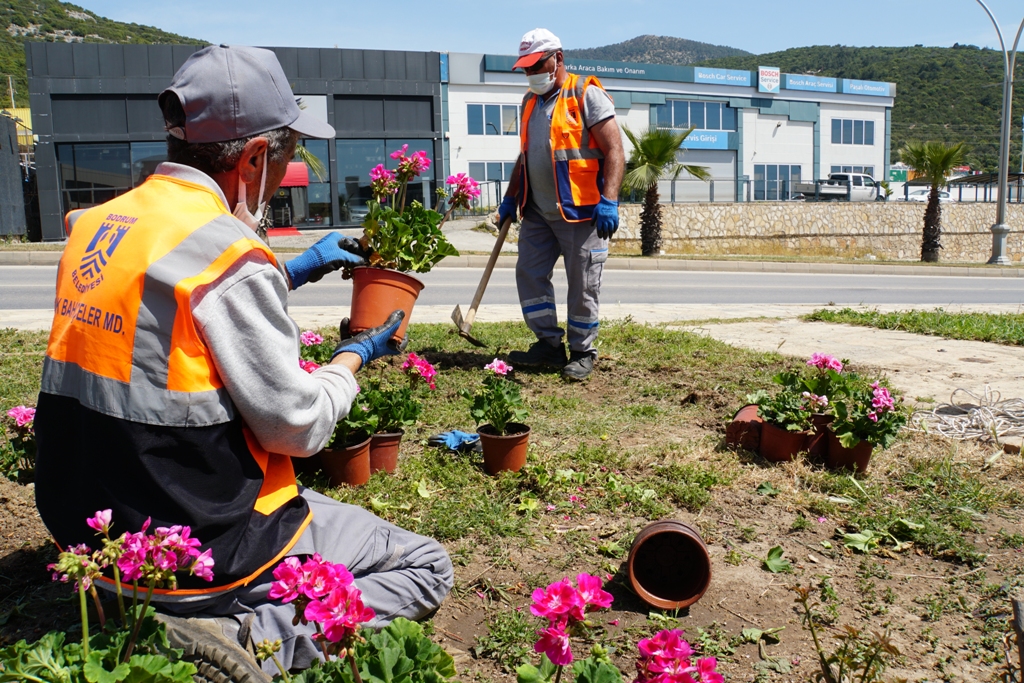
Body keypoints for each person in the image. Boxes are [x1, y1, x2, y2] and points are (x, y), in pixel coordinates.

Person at [34, 45, 453, 674]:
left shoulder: (97, 224)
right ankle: (246, 635)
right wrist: (351, 359)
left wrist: (294, 268)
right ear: (255, 158)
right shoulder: (229, 255)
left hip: (95, 539)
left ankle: (148, 617)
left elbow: (174, 305)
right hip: (200, 547)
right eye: (285, 157)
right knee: (426, 566)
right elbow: (299, 427)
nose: (285, 171)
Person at [499, 28, 625, 381]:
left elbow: (615, 150)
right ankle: (548, 344)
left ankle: (583, 350)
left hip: (582, 214)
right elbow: (525, 157)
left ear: (558, 58)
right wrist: (511, 197)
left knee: (583, 283)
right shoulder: (529, 102)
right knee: (529, 273)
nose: (531, 74)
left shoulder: (587, 95)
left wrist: (609, 201)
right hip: (538, 211)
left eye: (537, 65)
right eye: (525, 69)